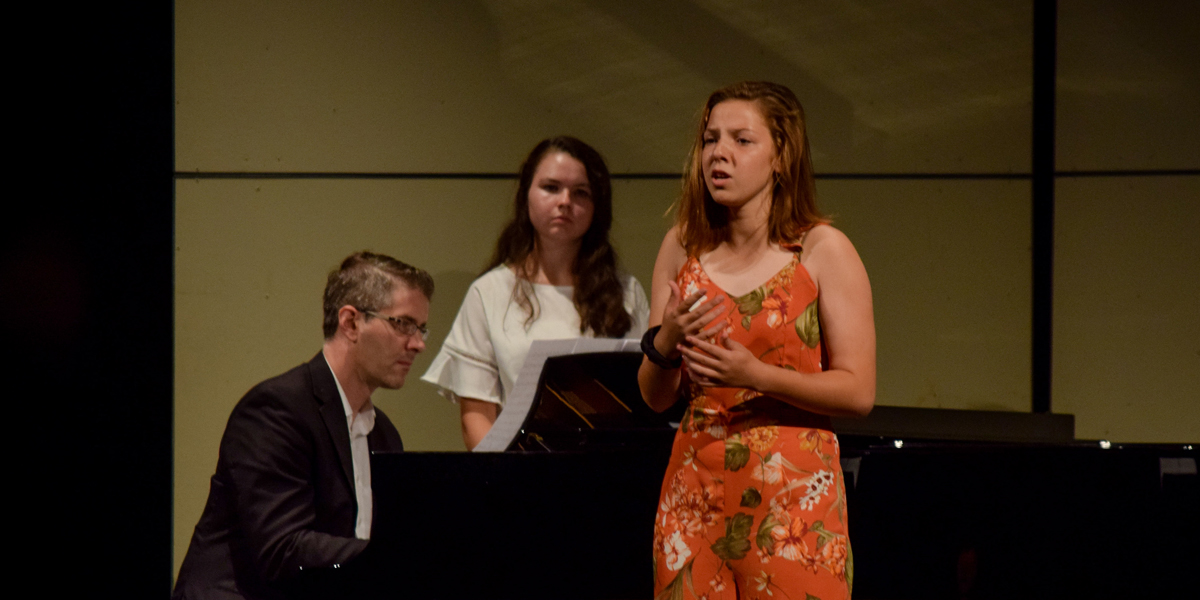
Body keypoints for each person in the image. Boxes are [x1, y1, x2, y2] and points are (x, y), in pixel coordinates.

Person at [638, 82, 875, 599]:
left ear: (782, 155)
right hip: (693, 491)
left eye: (741, 140)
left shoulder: (820, 250)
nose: (718, 153)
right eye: (709, 140)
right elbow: (654, 396)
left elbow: (858, 392)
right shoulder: (683, 247)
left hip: (791, 500)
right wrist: (669, 337)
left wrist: (756, 376)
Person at [173, 252, 433, 600]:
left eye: (421, 328)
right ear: (351, 323)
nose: (418, 343)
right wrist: (394, 557)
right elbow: (282, 549)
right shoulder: (277, 409)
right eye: (403, 324)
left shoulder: (383, 433)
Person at [422, 136, 649, 450]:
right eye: (551, 187)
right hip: (515, 478)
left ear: (598, 206)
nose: (565, 201)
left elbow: (643, 401)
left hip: (606, 475)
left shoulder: (626, 291)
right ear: (526, 194)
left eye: (581, 192)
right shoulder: (489, 292)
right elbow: (476, 415)